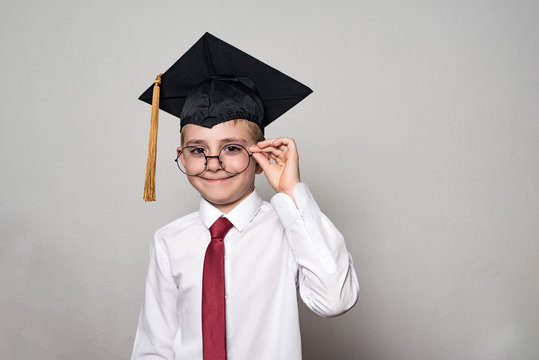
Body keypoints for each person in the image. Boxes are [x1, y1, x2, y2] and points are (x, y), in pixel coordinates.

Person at [132, 32, 359, 360]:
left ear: (259, 157)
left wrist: (291, 192)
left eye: (232, 148)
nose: (214, 164)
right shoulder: (168, 241)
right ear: (182, 157)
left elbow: (335, 300)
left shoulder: (288, 229)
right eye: (198, 150)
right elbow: (154, 344)